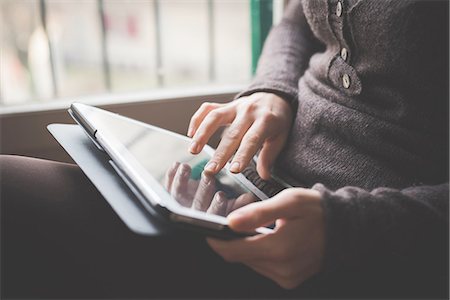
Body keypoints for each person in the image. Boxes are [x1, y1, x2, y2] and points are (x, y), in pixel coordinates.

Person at [1, 0, 448, 298]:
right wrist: (271, 91)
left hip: (349, 252)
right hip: (241, 195)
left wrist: (351, 232)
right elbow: (296, 20)